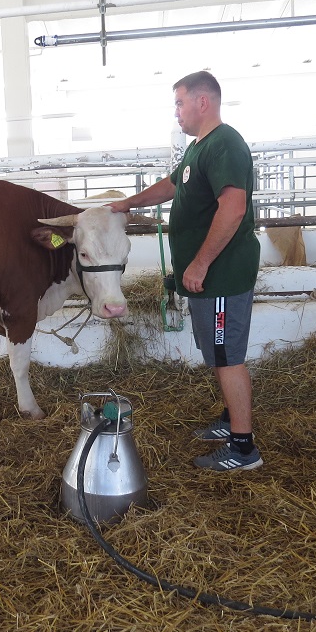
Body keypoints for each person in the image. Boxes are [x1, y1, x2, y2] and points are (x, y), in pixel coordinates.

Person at [108, 70, 262, 473]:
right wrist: (127, 204)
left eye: (179, 103)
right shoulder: (199, 148)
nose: (176, 112)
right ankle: (232, 422)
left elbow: (234, 208)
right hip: (209, 278)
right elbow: (171, 186)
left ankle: (244, 449)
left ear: (203, 102)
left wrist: (200, 262)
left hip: (222, 275)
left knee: (228, 357)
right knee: (218, 352)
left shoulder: (225, 143)